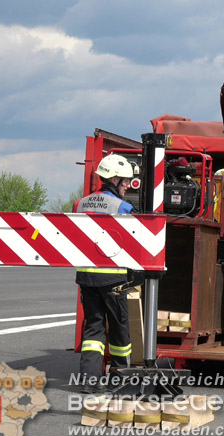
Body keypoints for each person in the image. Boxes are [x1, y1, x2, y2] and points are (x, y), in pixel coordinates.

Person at [73, 154, 136, 394]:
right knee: (120, 328)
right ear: (114, 179)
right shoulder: (123, 207)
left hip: (87, 278)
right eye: (126, 181)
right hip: (113, 279)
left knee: (94, 329)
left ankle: (89, 382)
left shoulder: (81, 204)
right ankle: (119, 381)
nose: (128, 186)